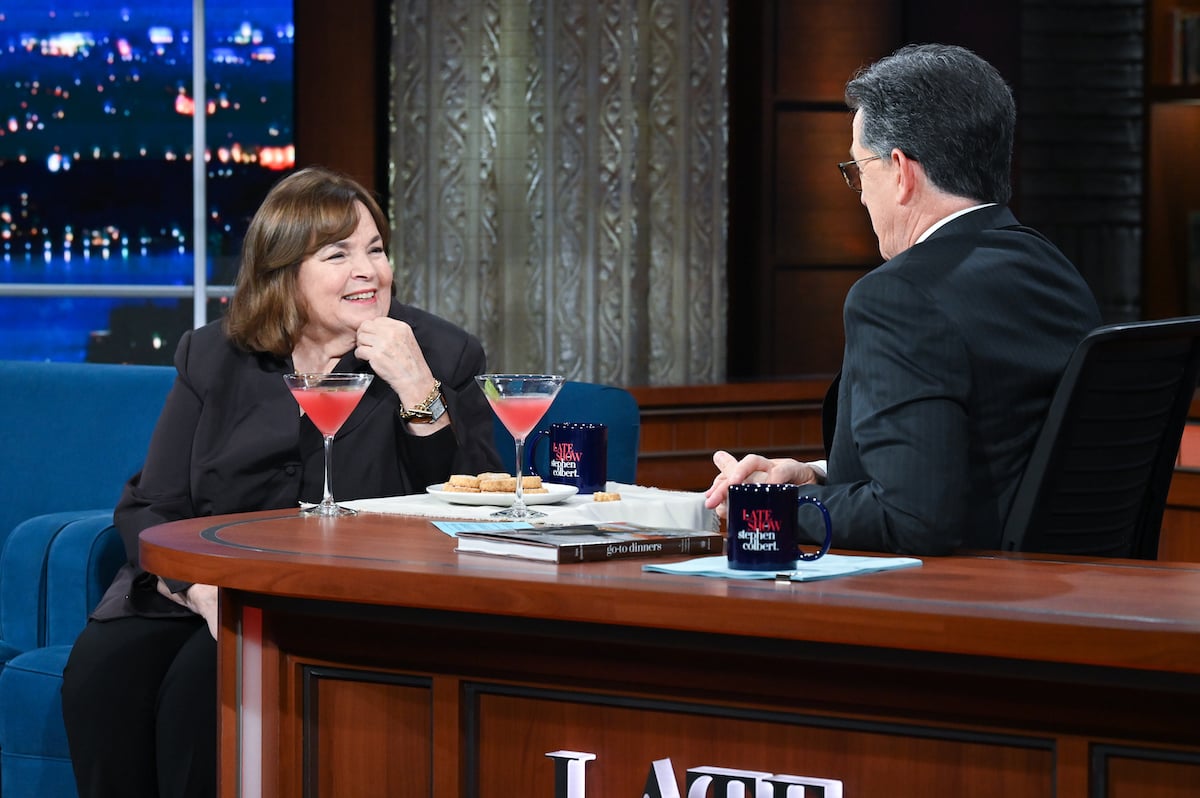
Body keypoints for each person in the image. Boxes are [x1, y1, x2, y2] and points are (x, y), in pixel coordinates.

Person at [61, 166, 504, 798]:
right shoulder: (214, 354)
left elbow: (472, 497)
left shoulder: (441, 352)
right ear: (284, 271)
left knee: (199, 691)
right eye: (339, 254)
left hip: (331, 599)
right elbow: (151, 504)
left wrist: (416, 388)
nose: (369, 271)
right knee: (100, 677)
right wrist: (200, 589)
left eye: (376, 249)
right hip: (200, 588)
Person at [705, 43, 1102, 556]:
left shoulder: (898, 296)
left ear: (901, 171)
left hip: (951, 607)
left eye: (857, 171)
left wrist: (771, 506)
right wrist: (816, 478)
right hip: (1069, 592)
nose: (862, 194)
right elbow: (987, 462)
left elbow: (912, 520)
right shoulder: (1055, 272)